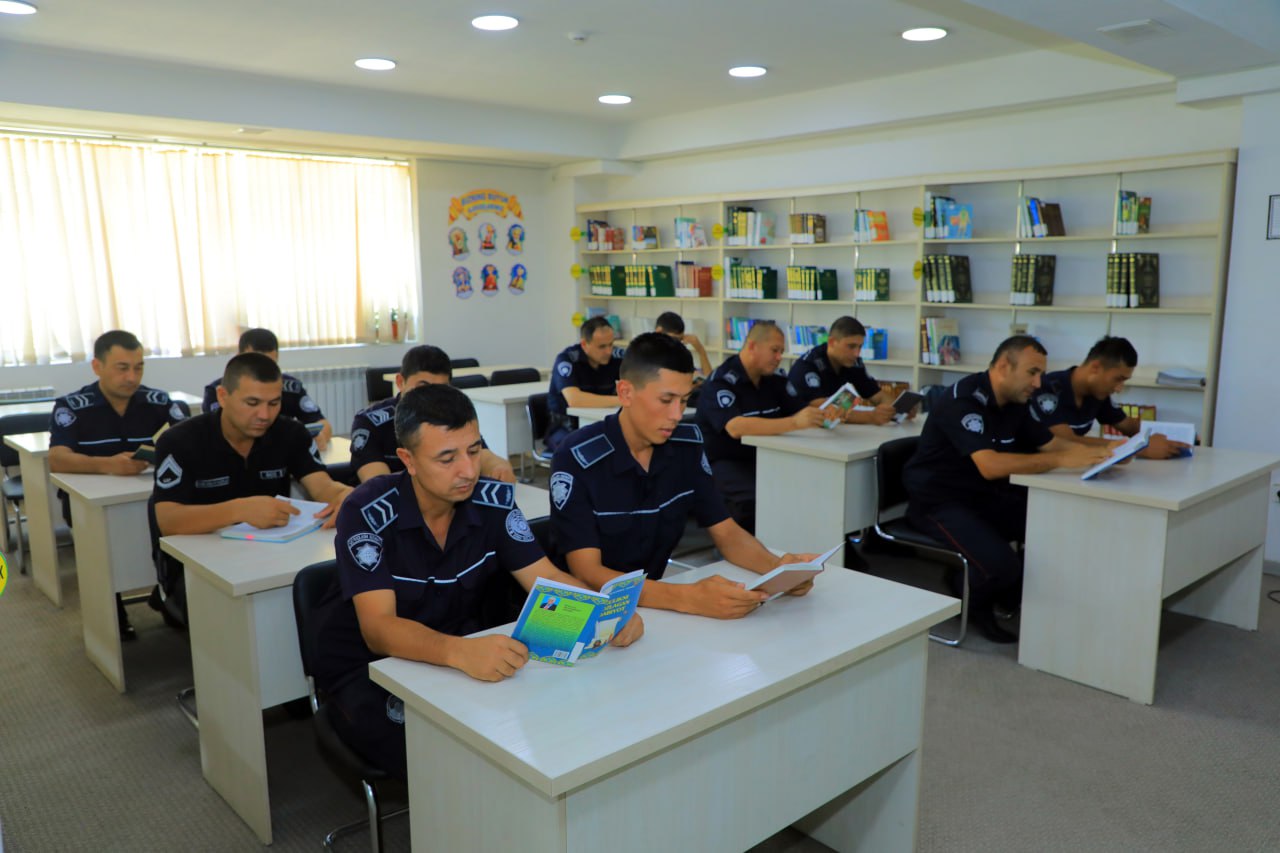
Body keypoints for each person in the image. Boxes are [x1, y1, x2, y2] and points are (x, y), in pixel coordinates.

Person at [311, 384, 643, 779]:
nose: (468, 470)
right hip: (371, 667)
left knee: (545, 720)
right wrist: (459, 653)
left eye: (473, 451)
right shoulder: (366, 510)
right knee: (435, 749)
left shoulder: (493, 500)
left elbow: (548, 576)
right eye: (447, 458)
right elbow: (378, 629)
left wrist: (608, 611)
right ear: (408, 460)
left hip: (457, 652)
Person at [552, 333, 821, 618]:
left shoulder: (685, 446)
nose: (677, 414)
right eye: (666, 400)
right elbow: (587, 573)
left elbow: (726, 532)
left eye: (684, 400)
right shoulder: (577, 457)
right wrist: (686, 597)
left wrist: (778, 570)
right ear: (625, 393)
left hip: (653, 607)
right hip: (586, 613)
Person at [902, 335, 1112, 643]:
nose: (1038, 383)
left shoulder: (1015, 401)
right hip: (938, 500)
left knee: (1052, 529)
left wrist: (1107, 452)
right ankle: (968, 594)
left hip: (980, 494)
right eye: (1032, 372)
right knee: (1002, 565)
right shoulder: (963, 401)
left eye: (1041, 373)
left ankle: (1002, 587)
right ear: (1003, 366)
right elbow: (991, 465)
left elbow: (1051, 444)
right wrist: (1062, 460)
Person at [151, 352, 354, 623]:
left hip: (273, 555)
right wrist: (239, 510)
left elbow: (322, 486)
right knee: (236, 619)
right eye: (252, 403)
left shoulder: (291, 433)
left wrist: (346, 496)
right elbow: (167, 520)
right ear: (223, 396)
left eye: (274, 403)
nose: (264, 415)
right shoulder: (179, 441)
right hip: (201, 565)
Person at [47, 329, 189, 640]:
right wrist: (108, 464)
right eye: (122, 368)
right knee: (107, 557)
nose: (131, 377)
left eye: (138, 368)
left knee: (179, 536)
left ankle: (169, 594)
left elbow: (191, 445)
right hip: (92, 504)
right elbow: (57, 459)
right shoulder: (73, 406)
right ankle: (113, 609)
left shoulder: (158, 401)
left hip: (153, 496)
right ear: (97, 366)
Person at [695, 321, 829, 532]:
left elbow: (800, 411)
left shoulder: (774, 380)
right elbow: (735, 427)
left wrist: (825, 414)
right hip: (725, 462)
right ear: (752, 346)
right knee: (760, 498)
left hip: (766, 457)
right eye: (774, 350)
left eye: (781, 352)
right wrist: (794, 423)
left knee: (813, 485)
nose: (779, 357)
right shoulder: (721, 382)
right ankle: (748, 546)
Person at [349, 344, 516, 483]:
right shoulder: (370, 422)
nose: (431, 397)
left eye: (440, 389)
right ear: (400, 382)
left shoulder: (453, 418)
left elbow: (485, 457)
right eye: (422, 387)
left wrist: (499, 468)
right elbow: (378, 484)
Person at [1030, 336, 1191, 459]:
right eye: (1118, 379)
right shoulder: (1047, 387)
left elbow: (1129, 425)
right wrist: (1136, 448)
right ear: (1095, 368)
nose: (1119, 389)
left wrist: (1178, 437)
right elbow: (1065, 440)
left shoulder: (1098, 393)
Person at [201, 328, 333, 451]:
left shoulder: (290, 387)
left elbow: (321, 423)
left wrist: (319, 437)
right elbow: (218, 435)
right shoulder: (221, 391)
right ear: (238, 358)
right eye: (252, 402)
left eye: (269, 364)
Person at [785, 316, 901, 425]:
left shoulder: (852, 362)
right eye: (851, 346)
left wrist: (899, 410)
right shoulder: (807, 365)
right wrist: (871, 416)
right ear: (832, 342)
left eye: (860, 346)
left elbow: (877, 395)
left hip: (833, 430)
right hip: (800, 431)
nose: (857, 353)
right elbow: (823, 409)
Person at [545, 316, 624, 453]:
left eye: (611, 344)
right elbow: (575, 400)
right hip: (565, 427)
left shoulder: (616, 358)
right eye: (602, 346)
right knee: (585, 453)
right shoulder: (567, 359)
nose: (608, 351)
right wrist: (621, 400)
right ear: (584, 344)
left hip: (598, 423)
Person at [653, 311, 713, 377]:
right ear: (658, 332)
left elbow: (709, 379)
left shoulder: (679, 357)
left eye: (680, 340)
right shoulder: (647, 356)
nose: (676, 344)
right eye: (674, 339)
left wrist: (701, 351)